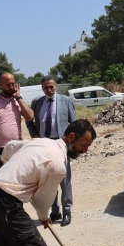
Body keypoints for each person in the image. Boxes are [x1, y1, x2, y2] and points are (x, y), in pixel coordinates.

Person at [25, 75, 77, 226]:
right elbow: (29, 121)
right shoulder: (37, 102)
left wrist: (72, 145)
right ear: (42, 88)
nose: (49, 90)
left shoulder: (66, 101)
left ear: (56, 86)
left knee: (64, 180)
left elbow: (74, 124)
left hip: (61, 145)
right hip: (44, 146)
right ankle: (55, 212)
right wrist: (34, 134)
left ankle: (67, 212)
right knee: (49, 180)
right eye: (46, 87)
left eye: (51, 87)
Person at [0, 73, 34, 174]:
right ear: (1, 84)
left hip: (16, 147)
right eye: (8, 84)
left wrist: (18, 98)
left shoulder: (18, 101)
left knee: (17, 181)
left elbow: (30, 117)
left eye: (13, 84)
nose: (11, 87)